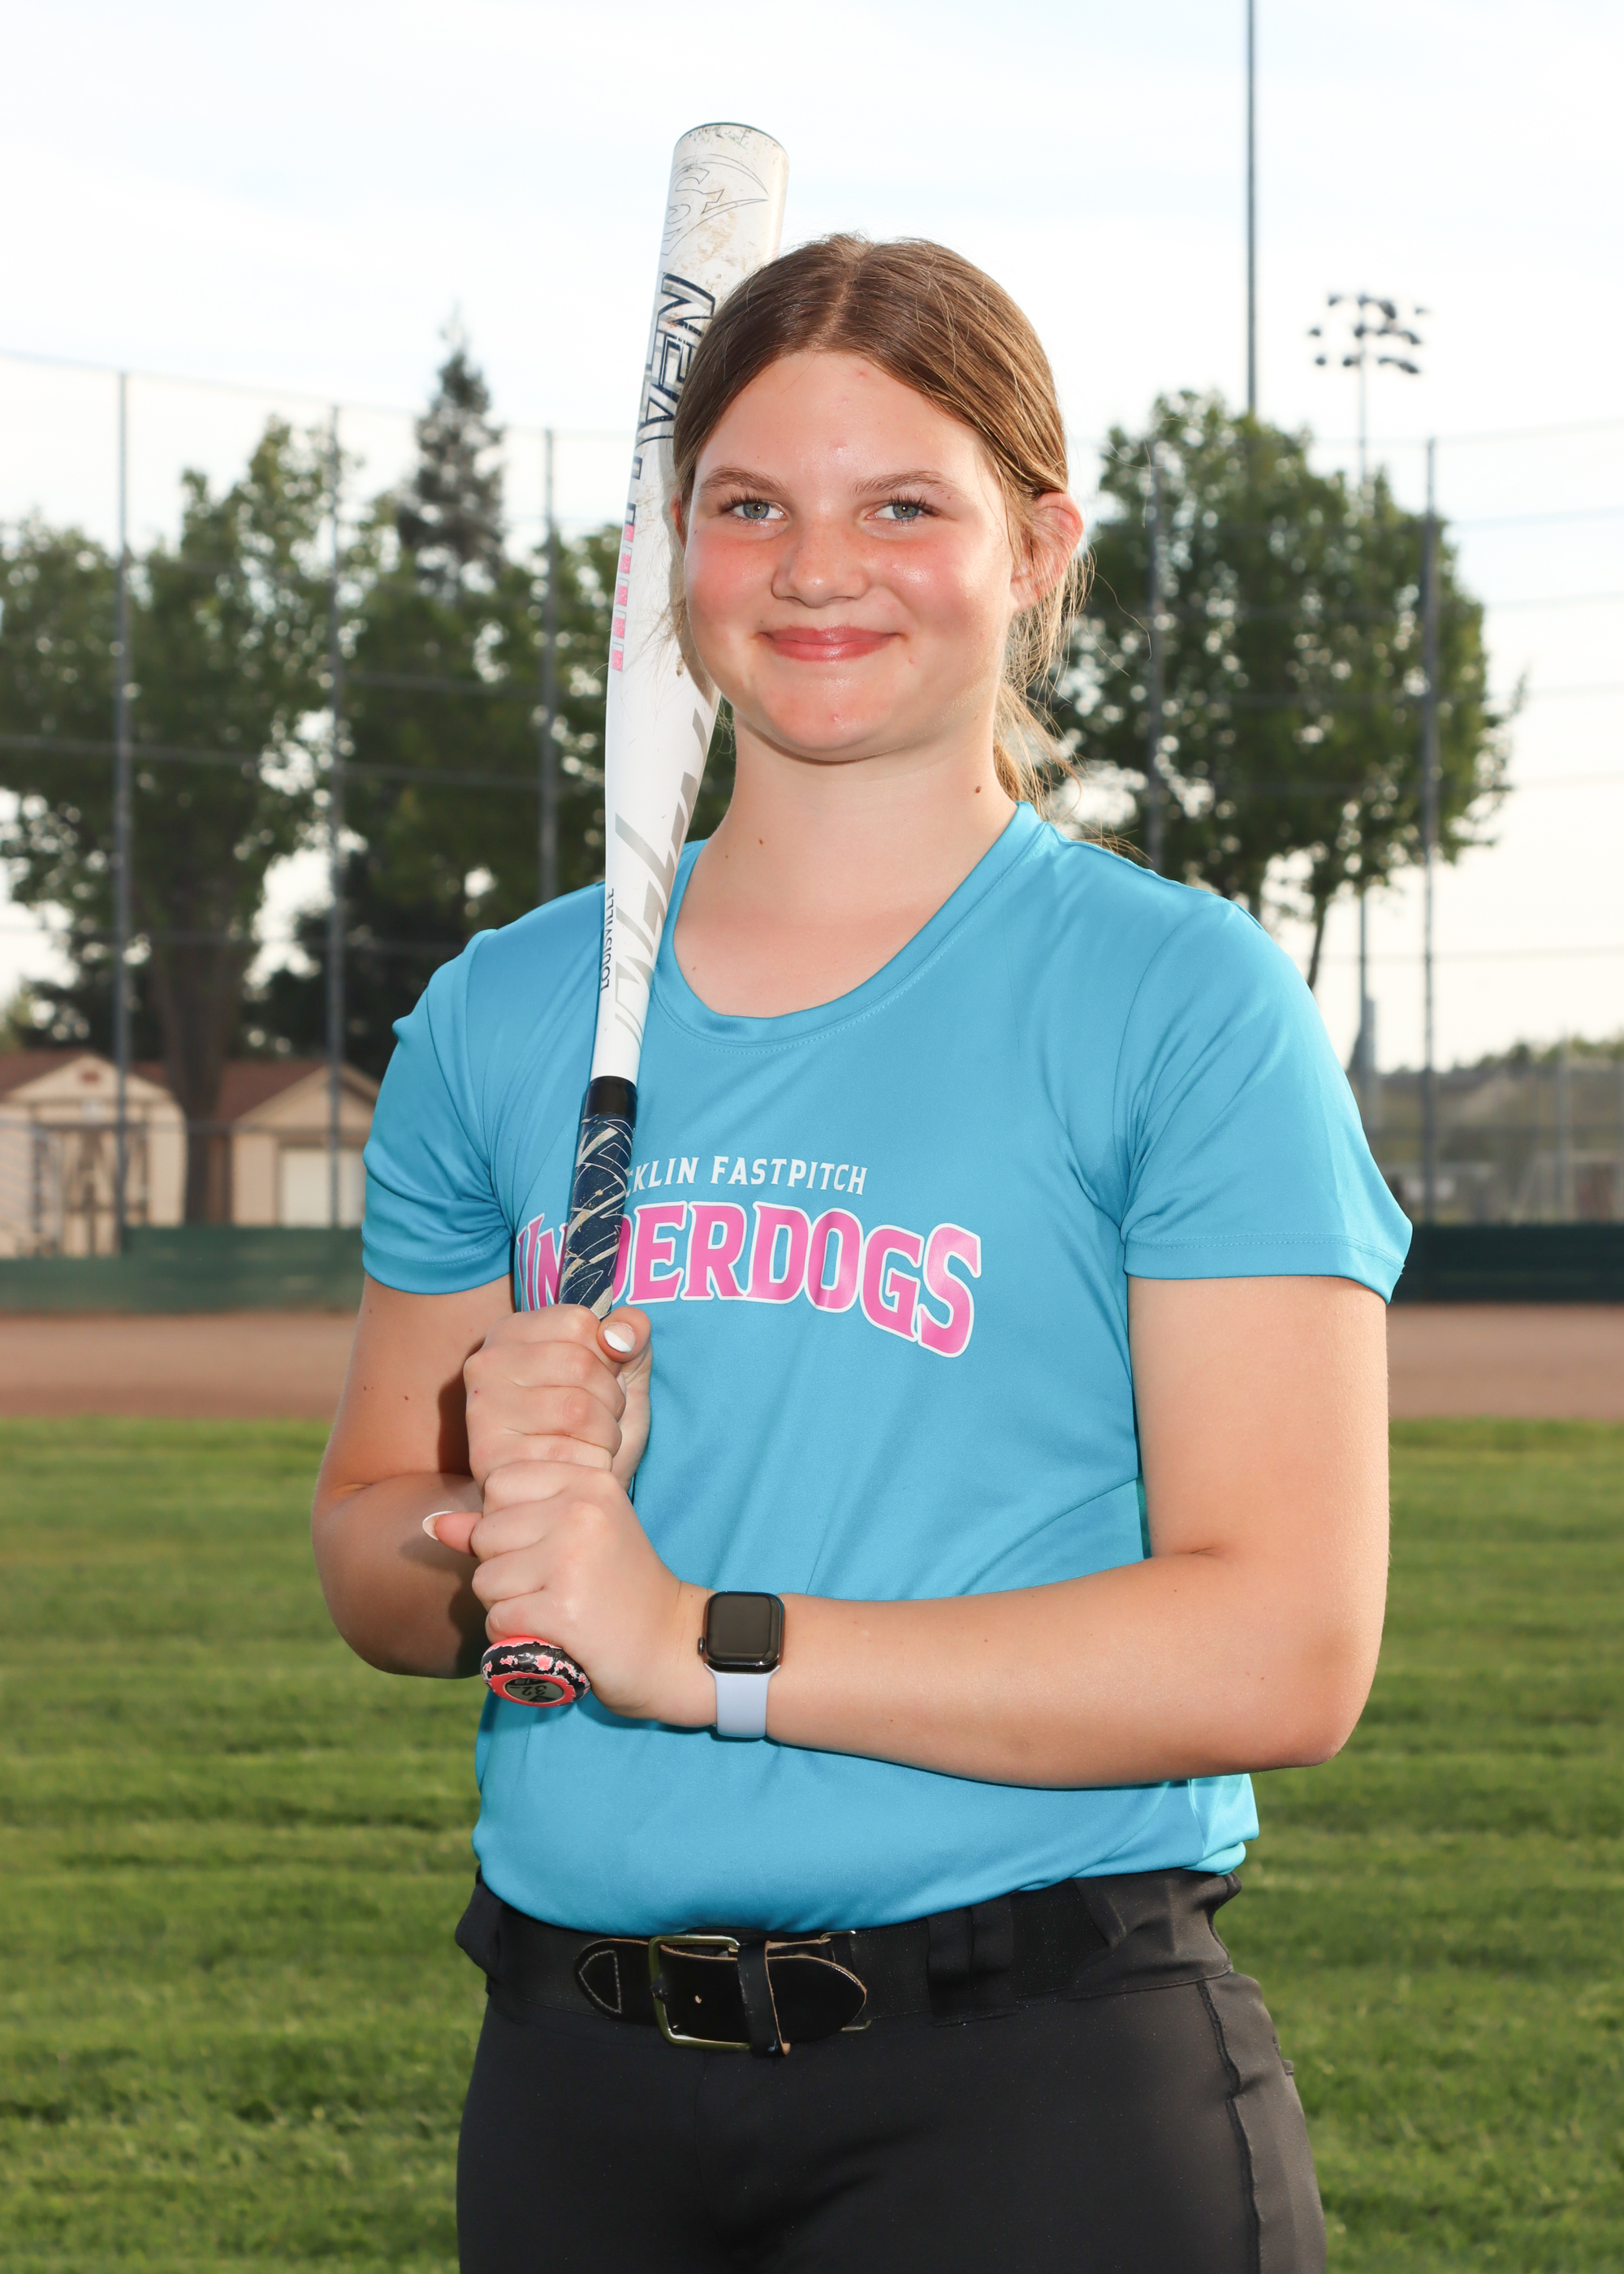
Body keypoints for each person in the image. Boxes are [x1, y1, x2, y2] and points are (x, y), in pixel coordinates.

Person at [313, 235, 1409, 2273]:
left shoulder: (1175, 997)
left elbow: (1283, 1642)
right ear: (675, 553)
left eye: (903, 503)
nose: (819, 568)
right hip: (576, 2088)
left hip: (1034, 2090)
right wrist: (486, 1513)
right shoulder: (507, 1010)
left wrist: (698, 1643)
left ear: (1037, 546)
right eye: (751, 506)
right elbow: (376, 1565)